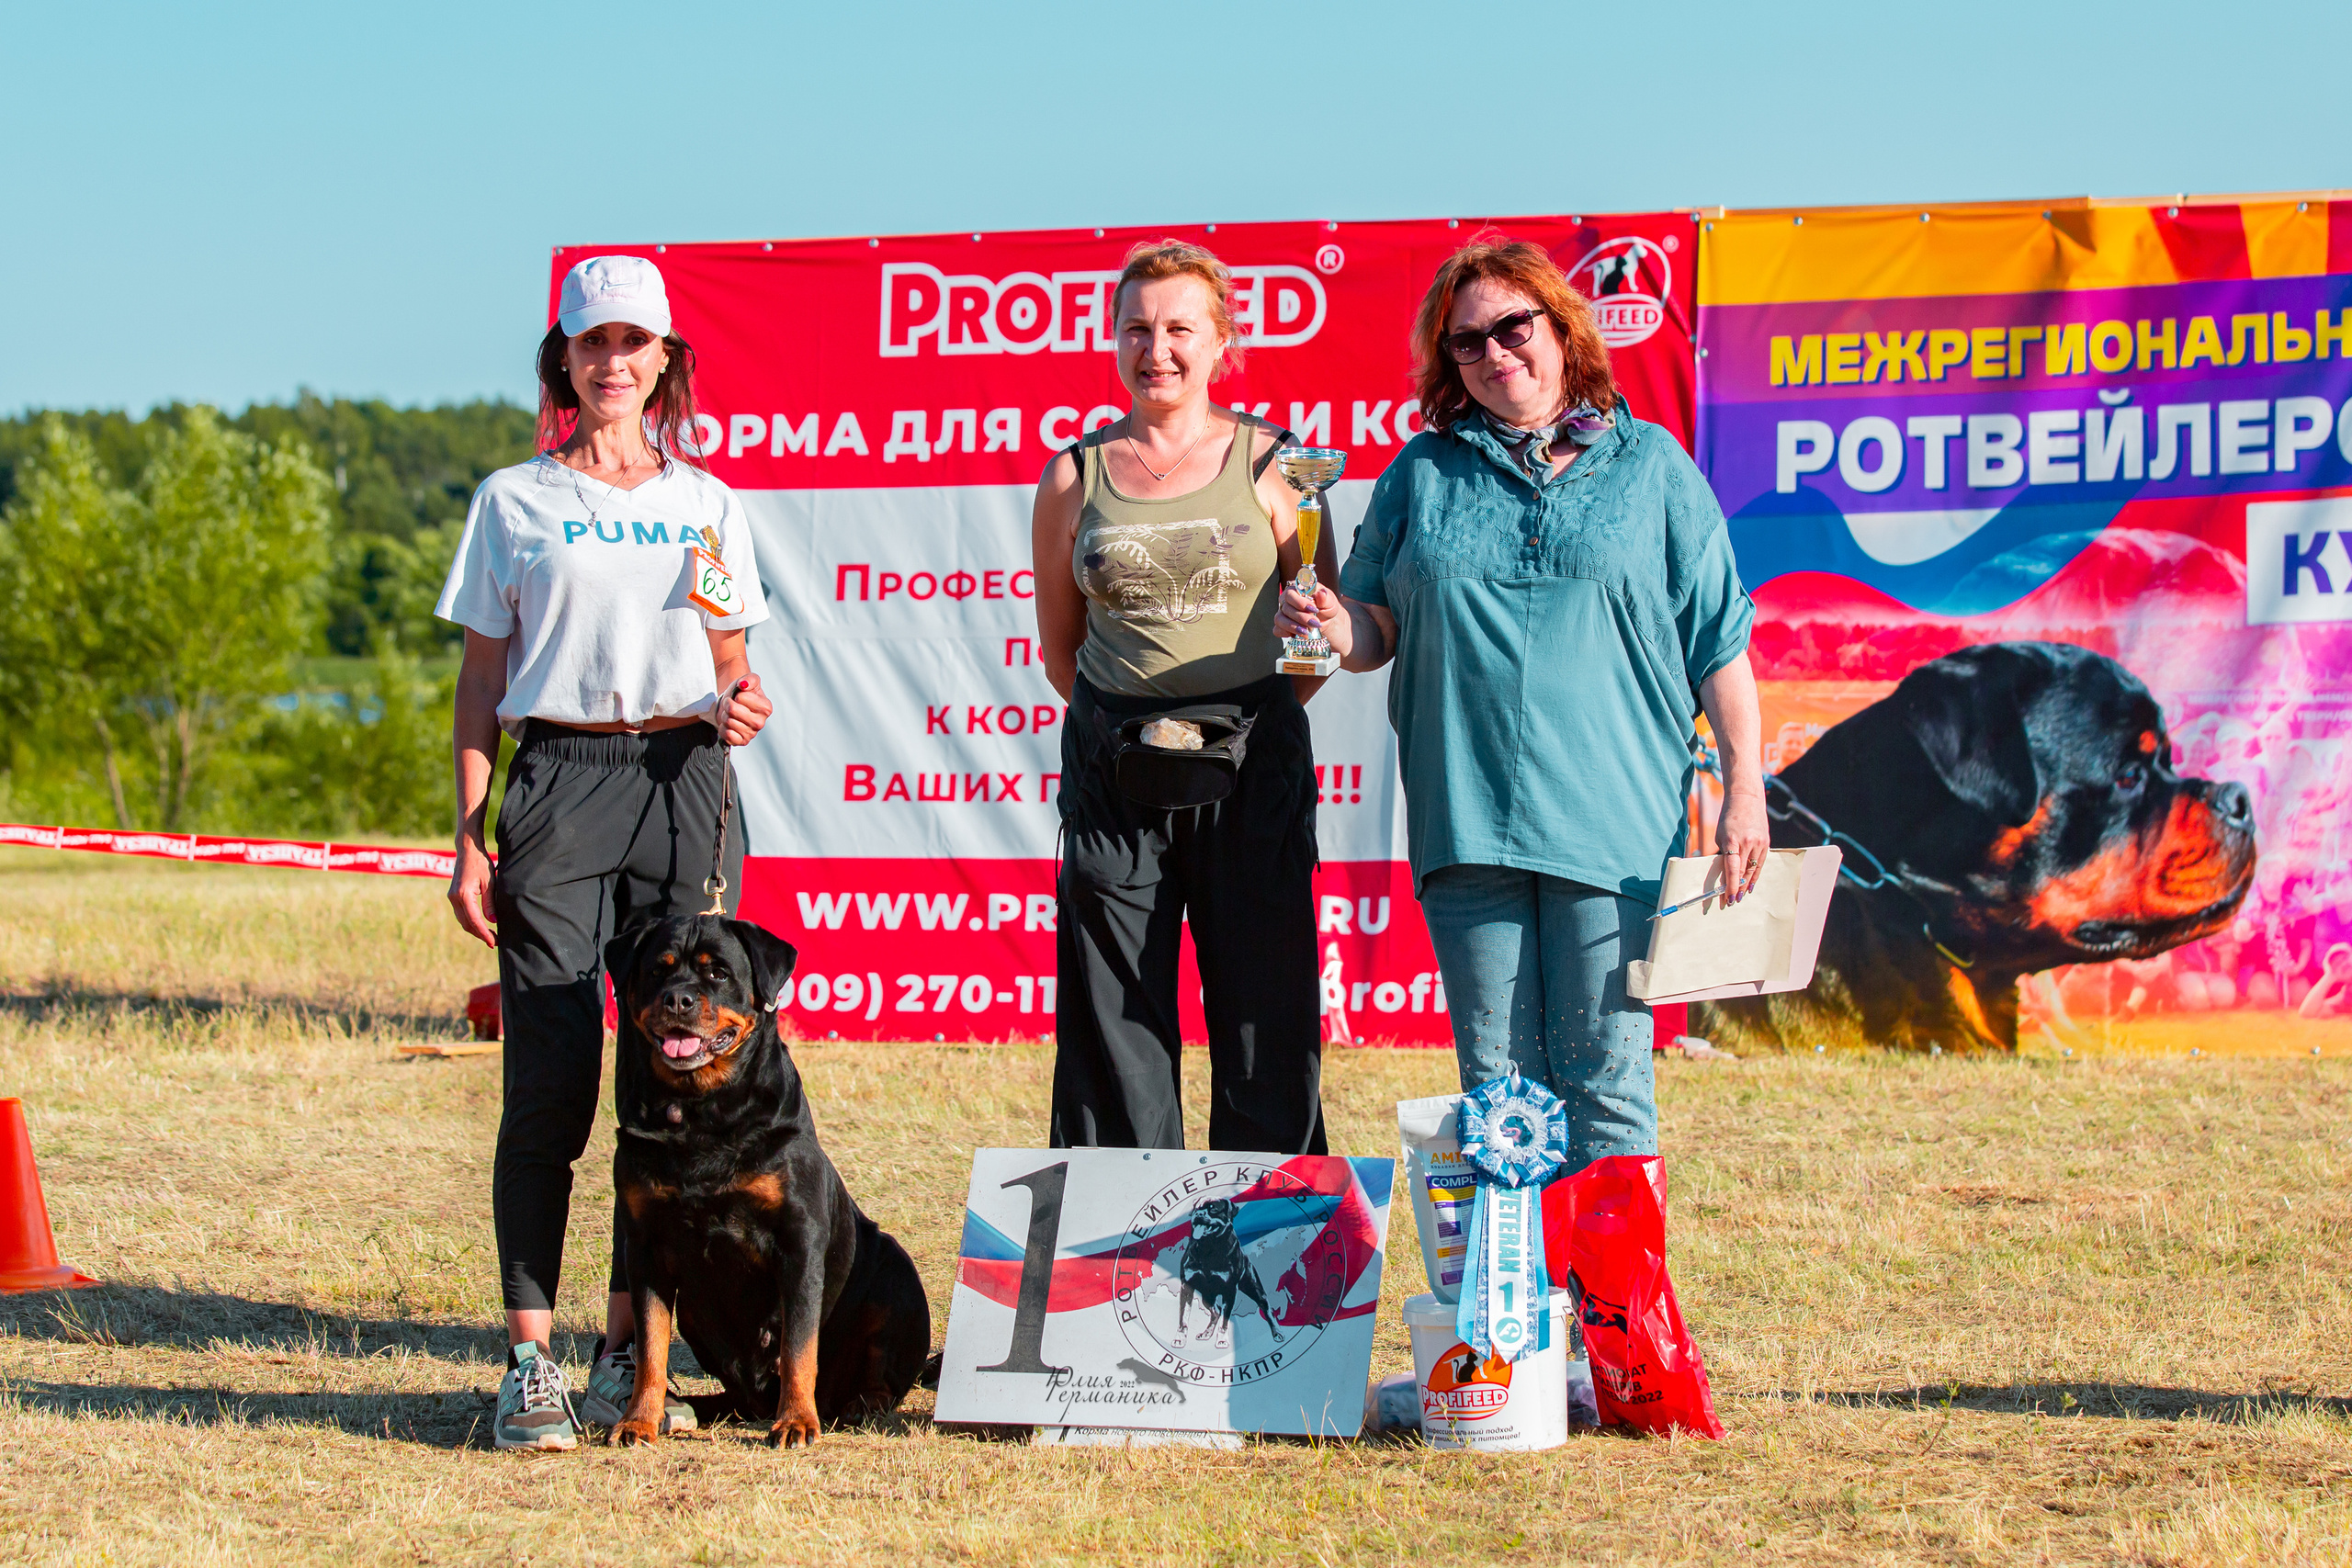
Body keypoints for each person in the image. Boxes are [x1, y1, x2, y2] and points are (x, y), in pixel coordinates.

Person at [1277, 237, 1767, 1170]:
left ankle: (1617, 1320)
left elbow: (1720, 642)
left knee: (1606, 1089)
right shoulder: (1422, 473)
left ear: (1561, 327)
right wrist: (1334, 624)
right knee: (1501, 1096)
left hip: (1612, 829)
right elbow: (1374, 633)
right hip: (1467, 828)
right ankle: (1522, 1318)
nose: (1497, 353)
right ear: (1448, 363)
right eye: (1468, 342)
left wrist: (1745, 788)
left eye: (1514, 326)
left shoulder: (1652, 466)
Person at [436, 254, 774, 1452]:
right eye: (593, 344)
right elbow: (482, 679)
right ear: (564, 363)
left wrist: (741, 696)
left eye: (637, 343)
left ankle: (625, 1343)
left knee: (667, 1090)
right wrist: (470, 834)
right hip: (561, 781)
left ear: (667, 360)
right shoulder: (512, 499)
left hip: (679, 779)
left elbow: (730, 650)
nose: (615, 361)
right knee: (550, 1085)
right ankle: (528, 1359)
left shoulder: (708, 499)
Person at [1029, 239, 1339, 1154]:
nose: (1155, 348)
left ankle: (1274, 1259)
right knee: (1110, 1015)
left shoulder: (1278, 465)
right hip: (1112, 769)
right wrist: (1133, 730)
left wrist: (1247, 729)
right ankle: (1121, 1252)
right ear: (1112, 340)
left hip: (1253, 761)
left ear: (1221, 342)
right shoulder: (1072, 475)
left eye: (1178, 329)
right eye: (1135, 328)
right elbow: (1061, 650)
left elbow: (1317, 641)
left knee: (1264, 1011)